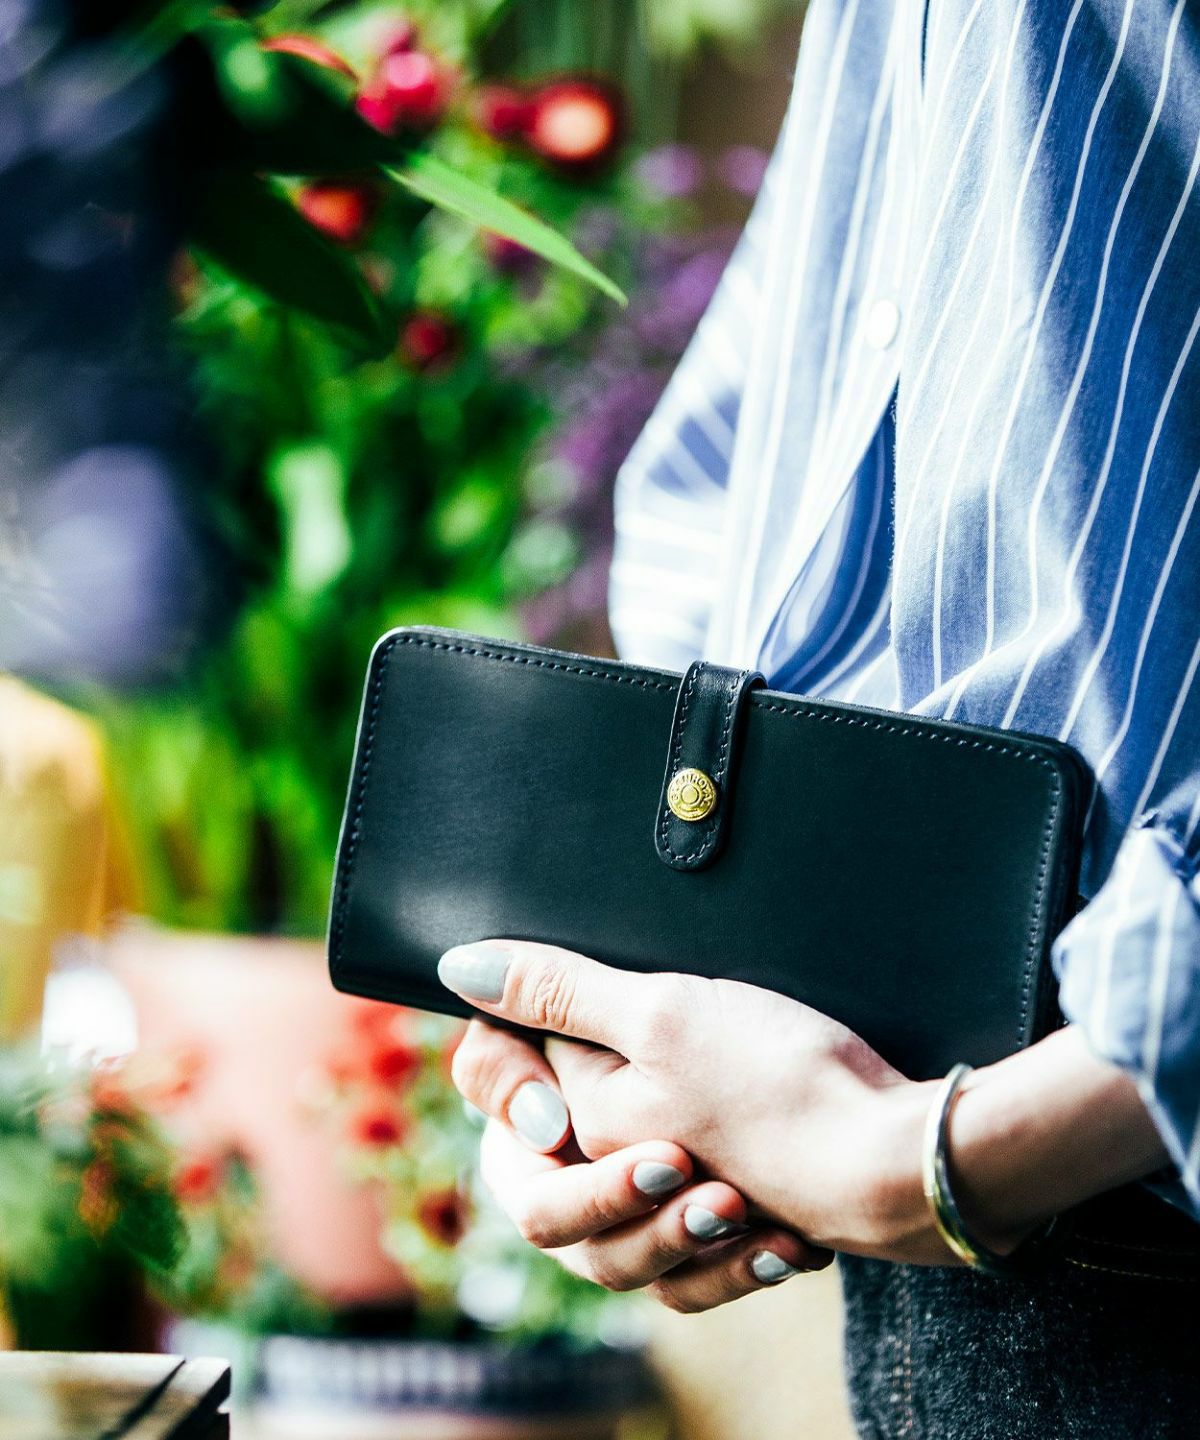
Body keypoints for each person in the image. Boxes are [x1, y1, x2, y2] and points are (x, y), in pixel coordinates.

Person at [438, 2, 1200, 1433]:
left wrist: (950, 1154)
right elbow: (755, 457)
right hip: (932, 1193)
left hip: (1112, 1188)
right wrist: (615, 1030)